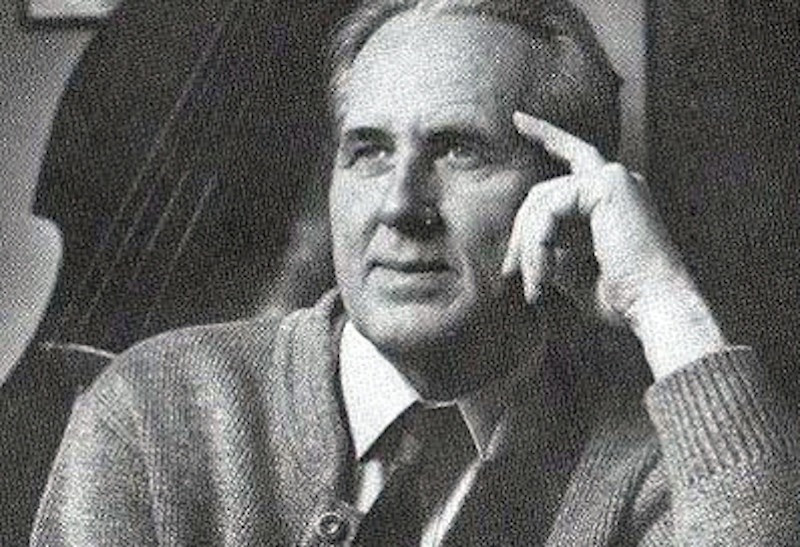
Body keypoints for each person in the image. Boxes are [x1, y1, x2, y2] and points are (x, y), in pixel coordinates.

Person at [32, 0, 799, 545]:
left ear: (565, 190)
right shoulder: (155, 411)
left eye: (460, 150)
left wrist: (667, 304)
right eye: (368, 151)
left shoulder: (660, 455)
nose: (401, 205)